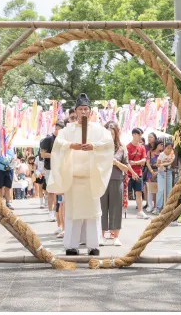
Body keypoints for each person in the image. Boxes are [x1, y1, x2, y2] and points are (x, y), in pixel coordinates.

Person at [47, 93, 114, 256]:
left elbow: (107, 144)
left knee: (92, 214)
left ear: (90, 112)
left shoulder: (99, 130)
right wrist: (72, 145)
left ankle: (93, 245)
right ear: (75, 111)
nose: (83, 112)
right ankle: (71, 245)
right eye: (80, 109)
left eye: (86, 109)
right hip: (74, 178)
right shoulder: (67, 130)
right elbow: (58, 145)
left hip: (91, 177)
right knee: (73, 213)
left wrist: (93, 146)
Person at [100, 122, 137, 246]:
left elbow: (126, 168)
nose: (110, 135)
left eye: (112, 133)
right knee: (102, 208)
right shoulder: (100, 147)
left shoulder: (122, 148)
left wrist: (115, 162)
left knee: (116, 208)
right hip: (102, 181)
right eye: (108, 133)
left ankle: (116, 236)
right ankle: (101, 235)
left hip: (117, 180)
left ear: (116, 134)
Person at [40, 120, 65, 222]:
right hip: (50, 168)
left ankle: (57, 211)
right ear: (56, 129)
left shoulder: (64, 140)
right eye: (60, 130)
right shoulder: (47, 140)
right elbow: (42, 154)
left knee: (60, 192)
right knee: (51, 191)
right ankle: (51, 212)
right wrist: (55, 156)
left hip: (62, 169)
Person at [127, 128, 149, 219]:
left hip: (139, 173)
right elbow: (127, 161)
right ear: (134, 134)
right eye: (139, 135)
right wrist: (132, 171)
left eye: (141, 135)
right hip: (128, 173)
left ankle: (140, 211)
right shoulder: (128, 147)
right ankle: (120, 211)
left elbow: (144, 160)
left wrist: (135, 163)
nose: (140, 137)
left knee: (139, 192)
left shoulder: (142, 147)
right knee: (125, 193)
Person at [0, 136, 16, 210]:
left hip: (10, 168)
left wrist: (12, 164)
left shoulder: (12, 145)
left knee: (8, 186)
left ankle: (8, 202)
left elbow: (14, 156)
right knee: (0, 186)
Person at [155, 141, 176, 215]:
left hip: (168, 173)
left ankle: (167, 208)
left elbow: (170, 163)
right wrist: (161, 165)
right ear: (165, 148)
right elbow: (157, 164)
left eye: (170, 148)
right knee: (161, 190)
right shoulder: (161, 154)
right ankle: (158, 207)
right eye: (168, 148)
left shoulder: (172, 154)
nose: (169, 150)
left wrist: (163, 164)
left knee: (169, 190)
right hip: (161, 173)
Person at [145, 137, 163, 213]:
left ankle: (156, 205)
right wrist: (152, 171)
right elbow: (147, 163)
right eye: (161, 144)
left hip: (159, 172)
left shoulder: (162, 154)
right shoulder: (150, 152)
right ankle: (150, 205)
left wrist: (157, 172)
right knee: (150, 189)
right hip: (151, 172)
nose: (162, 146)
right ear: (157, 144)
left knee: (157, 189)